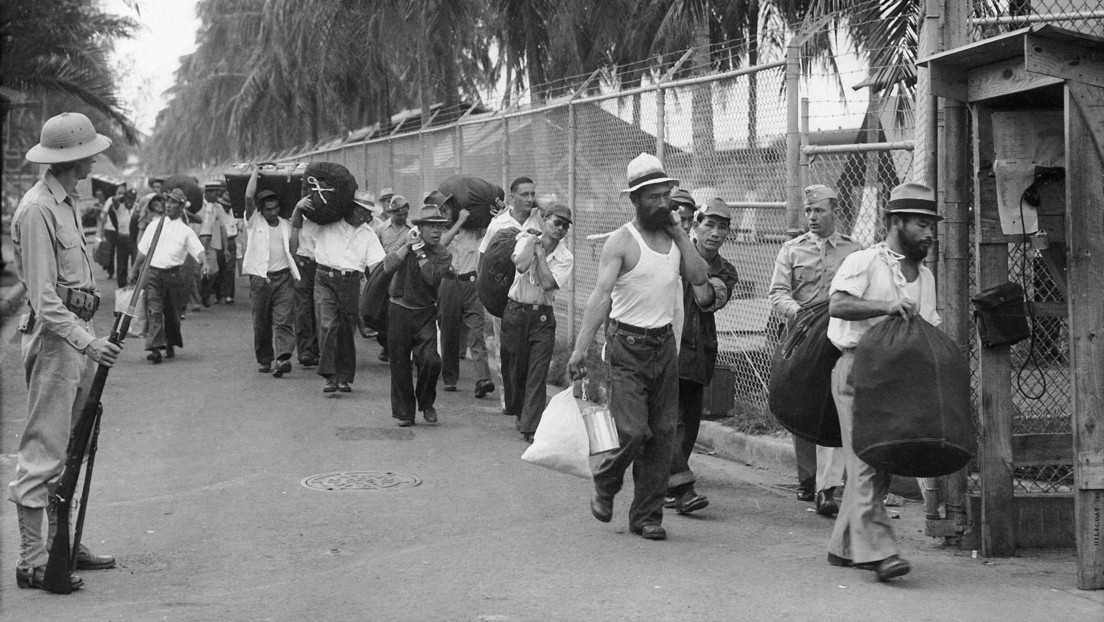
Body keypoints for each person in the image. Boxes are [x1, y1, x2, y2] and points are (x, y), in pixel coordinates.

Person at [567, 153, 708, 541]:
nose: (662, 204)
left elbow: (699, 278)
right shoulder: (622, 241)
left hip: (664, 345)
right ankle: (606, 481)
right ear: (635, 199)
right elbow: (600, 296)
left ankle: (647, 516)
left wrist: (681, 234)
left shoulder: (676, 238)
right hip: (626, 345)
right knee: (631, 431)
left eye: (666, 195)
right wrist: (580, 348)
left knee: (662, 435)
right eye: (652, 197)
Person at [9, 112, 121, 591]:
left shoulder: (67, 202)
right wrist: (87, 341)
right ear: (71, 158)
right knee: (45, 451)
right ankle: (34, 560)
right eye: (89, 153)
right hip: (57, 340)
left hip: (74, 333)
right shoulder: (37, 209)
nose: (96, 158)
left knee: (74, 447)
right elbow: (43, 296)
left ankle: (63, 544)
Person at [825, 182, 942, 581]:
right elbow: (837, 304)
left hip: (897, 378)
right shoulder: (865, 262)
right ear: (896, 222)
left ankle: (843, 546)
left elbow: (926, 327)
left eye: (932, 225)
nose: (930, 233)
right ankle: (880, 551)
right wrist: (885, 306)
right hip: (858, 369)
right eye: (922, 224)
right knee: (865, 461)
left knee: (882, 460)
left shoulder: (924, 276)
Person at [768, 184, 862, 516]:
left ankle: (828, 486)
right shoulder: (791, 250)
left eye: (819, 210)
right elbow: (778, 292)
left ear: (836, 212)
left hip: (837, 339)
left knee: (831, 408)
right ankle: (807, 478)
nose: (812, 216)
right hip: (801, 338)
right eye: (808, 211)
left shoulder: (854, 251)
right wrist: (800, 314)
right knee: (802, 401)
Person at [665, 197, 739, 515]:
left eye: (722, 227)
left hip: (698, 351)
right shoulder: (672, 252)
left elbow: (709, 300)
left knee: (689, 423)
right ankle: (681, 487)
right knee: (670, 419)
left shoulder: (726, 271)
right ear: (696, 225)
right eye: (709, 224)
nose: (715, 232)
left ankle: (667, 483)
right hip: (666, 345)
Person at [503, 202, 575, 442]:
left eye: (565, 226)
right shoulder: (526, 239)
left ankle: (531, 425)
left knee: (537, 372)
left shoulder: (566, 257)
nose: (560, 228)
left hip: (542, 317)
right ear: (545, 220)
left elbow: (548, 284)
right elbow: (521, 265)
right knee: (516, 369)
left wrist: (541, 254)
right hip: (516, 311)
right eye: (557, 222)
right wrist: (533, 244)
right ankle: (521, 412)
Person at [383, 199, 453, 426]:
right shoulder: (405, 239)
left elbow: (431, 277)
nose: (436, 231)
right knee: (400, 363)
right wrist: (406, 247)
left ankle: (426, 402)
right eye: (430, 226)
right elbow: (387, 266)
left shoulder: (443, 254)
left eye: (440, 227)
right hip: (399, 309)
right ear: (419, 229)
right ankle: (404, 413)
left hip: (425, 313)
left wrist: (420, 251)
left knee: (431, 361)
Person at [309, 189, 386, 393]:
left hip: (351, 282)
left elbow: (377, 265)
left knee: (346, 330)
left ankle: (343, 377)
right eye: (363, 211)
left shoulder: (368, 233)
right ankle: (329, 376)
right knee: (327, 324)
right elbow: (306, 224)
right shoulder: (328, 222)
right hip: (325, 278)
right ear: (351, 208)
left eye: (369, 213)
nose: (366, 217)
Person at [479, 177, 543, 412]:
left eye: (532, 194)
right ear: (512, 196)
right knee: (505, 348)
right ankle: (509, 400)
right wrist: (485, 291)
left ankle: (526, 399)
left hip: (532, 293)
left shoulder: (540, 219)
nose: (529, 199)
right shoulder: (498, 223)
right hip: (504, 294)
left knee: (528, 349)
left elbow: (554, 211)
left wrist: (539, 204)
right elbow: (484, 256)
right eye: (524, 194)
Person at [131, 188, 209, 364]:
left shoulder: (185, 230)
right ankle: (156, 348)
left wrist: (204, 262)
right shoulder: (154, 226)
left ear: (182, 207)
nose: (169, 205)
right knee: (154, 311)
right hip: (153, 274)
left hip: (173, 276)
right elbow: (143, 250)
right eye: (167, 201)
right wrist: (134, 269)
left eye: (174, 202)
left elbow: (197, 248)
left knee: (172, 314)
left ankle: (171, 342)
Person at [243, 168, 301, 377]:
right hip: (260, 280)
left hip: (283, 278)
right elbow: (249, 196)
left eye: (275, 208)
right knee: (261, 323)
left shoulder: (286, 225)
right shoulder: (253, 222)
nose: (273, 212)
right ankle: (265, 359)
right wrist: (256, 172)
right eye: (268, 209)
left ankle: (283, 357)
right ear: (261, 210)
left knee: (284, 320)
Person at [438, 194, 494, 397]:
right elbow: (441, 244)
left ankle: (483, 379)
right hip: (449, 283)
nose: (444, 214)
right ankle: (450, 378)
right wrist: (459, 222)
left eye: (447, 210)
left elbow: (491, 229)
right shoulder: (440, 232)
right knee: (449, 332)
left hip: (471, 284)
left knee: (476, 332)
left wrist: (497, 210)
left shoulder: (473, 230)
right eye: (441, 211)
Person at [371, 194, 412, 361]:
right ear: (390, 213)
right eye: (399, 214)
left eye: (405, 214)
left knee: (401, 315)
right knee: (382, 314)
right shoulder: (380, 230)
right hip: (386, 276)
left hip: (406, 278)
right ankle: (386, 344)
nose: (402, 217)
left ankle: (398, 349)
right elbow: (374, 253)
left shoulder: (412, 230)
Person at [290, 194, 322, 368]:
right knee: (303, 309)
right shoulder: (301, 214)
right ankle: (305, 351)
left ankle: (318, 350)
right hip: (304, 263)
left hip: (322, 263)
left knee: (320, 308)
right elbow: (294, 234)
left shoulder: (328, 215)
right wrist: (298, 207)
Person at [199, 181, 229, 306]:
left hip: (212, 241)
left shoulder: (219, 207)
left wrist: (226, 248)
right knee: (197, 269)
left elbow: (222, 227)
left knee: (213, 271)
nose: (217, 197)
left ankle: (205, 294)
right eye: (215, 194)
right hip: (198, 240)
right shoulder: (198, 205)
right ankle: (197, 297)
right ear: (208, 193)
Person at [106, 189, 138, 289]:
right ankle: (122, 286)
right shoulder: (119, 207)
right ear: (125, 198)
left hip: (133, 238)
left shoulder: (136, 208)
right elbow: (113, 200)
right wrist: (122, 197)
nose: (130, 201)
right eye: (128, 198)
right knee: (121, 265)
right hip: (121, 238)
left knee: (135, 263)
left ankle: (134, 286)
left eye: (132, 199)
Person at [217, 191, 239, 303]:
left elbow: (237, 228)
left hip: (231, 240)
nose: (227, 207)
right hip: (219, 240)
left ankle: (229, 294)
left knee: (230, 269)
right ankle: (218, 293)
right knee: (219, 268)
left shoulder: (233, 214)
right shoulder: (218, 211)